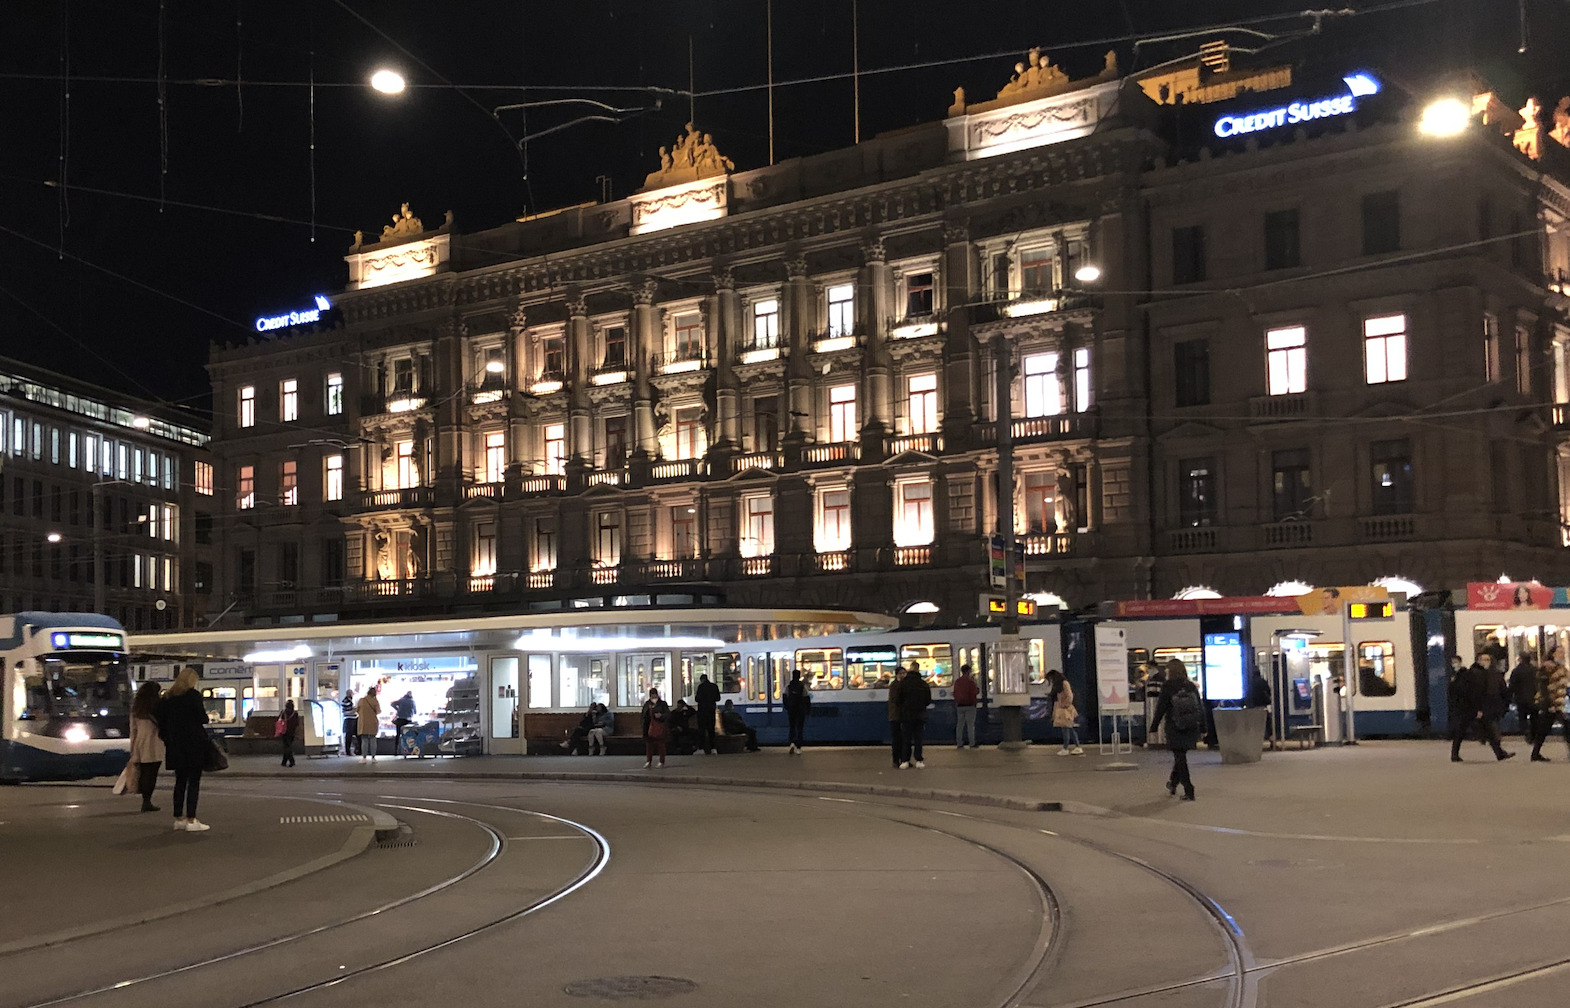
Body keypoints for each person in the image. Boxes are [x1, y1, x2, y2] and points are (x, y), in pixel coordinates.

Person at [157, 667, 212, 831]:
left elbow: (161, 724)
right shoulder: (193, 696)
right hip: (194, 744)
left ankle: (178, 818)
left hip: (175, 746)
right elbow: (203, 718)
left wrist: (168, 739)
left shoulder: (167, 697)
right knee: (193, 782)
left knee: (180, 781)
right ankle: (191, 820)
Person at [1148, 662, 1203, 800]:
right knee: (1180, 756)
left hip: (1175, 726)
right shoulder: (1190, 686)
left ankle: (1189, 789)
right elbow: (1200, 707)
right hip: (1190, 726)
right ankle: (1173, 783)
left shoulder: (1168, 686)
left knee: (1180, 757)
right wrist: (1203, 727)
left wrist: (1154, 727)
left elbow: (1161, 707)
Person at [1450, 652, 1514, 762]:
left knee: (1464, 730)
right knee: (1484, 730)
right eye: (1484, 660)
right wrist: (1478, 709)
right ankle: (1499, 753)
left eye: (1488, 660)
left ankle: (1455, 754)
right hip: (1474, 708)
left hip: (1469, 707)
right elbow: (1476, 693)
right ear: (1479, 661)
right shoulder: (1478, 674)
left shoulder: (1474, 672)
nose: (1486, 662)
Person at [128, 680, 164, 813]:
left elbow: (133, 730)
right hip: (156, 742)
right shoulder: (158, 707)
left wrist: (132, 747)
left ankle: (145, 799)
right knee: (152, 773)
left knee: (143, 772)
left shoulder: (136, 709)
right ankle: (147, 801)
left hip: (140, 743)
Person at [1532, 650, 1570, 761]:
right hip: (1552, 703)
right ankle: (1535, 753)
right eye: (1560, 652)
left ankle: (1535, 753)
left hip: (1561, 702)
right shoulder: (1547, 668)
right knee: (1544, 729)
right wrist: (1549, 704)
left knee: (1567, 727)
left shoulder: (1561, 668)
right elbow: (1543, 688)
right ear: (1553, 654)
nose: (1562, 654)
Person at [898, 664, 932, 768]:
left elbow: (898, 699)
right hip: (920, 715)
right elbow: (928, 700)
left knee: (906, 738)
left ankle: (905, 760)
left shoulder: (903, 684)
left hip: (906, 715)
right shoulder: (923, 684)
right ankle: (919, 760)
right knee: (918, 739)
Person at [1049, 670, 1083, 755]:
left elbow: (1069, 695)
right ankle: (1076, 747)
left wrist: (1065, 704)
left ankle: (1066, 748)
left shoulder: (1064, 683)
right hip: (1062, 709)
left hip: (1065, 709)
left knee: (1066, 729)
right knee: (1069, 728)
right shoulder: (1061, 684)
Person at [1509, 652, 1539, 744]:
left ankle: (1526, 733)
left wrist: (1509, 696)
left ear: (1520, 659)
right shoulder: (1535, 670)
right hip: (1534, 697)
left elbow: (1512, 685)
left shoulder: (1516, 671)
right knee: (1534, 717)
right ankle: (1534, 734)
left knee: (1523, 718)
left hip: (1521, 698)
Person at [783, 670, 810, 754]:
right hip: (800, 710)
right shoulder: (802, 686)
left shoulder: (788, 686)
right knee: (800, 728)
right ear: (799, 676)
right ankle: (798, 747)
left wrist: (787, 707)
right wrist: (808, 710)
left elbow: (784, 696)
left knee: (792, 727)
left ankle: (792, 743)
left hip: (791, 710)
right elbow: (806, 698)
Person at [641, 688, 670, 768]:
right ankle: (648, 761)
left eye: (654, 695)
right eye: (652, 695)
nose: (654, 697)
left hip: (659, 726)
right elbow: (643, 716)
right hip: (649, 727)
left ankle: (661, 761)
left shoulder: (662, 704)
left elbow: (668, 714)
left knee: (660, 745)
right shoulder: (647, 704)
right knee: (649, 745)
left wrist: (661, 716)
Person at [953, 664, 980, 749]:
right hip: (970, 706)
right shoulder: (970, 682)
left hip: (960, 706)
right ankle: (972, 743)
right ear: (968, 671)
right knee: (970, 725)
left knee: (959, 725)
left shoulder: (957, 681)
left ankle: (959, 743)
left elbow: (955, 693)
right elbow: (974, 692)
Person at [694, 673, 720, 754]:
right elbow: (718, 698)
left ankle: (701, 748)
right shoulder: (714, 686)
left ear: (702, 680)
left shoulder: (701, 687)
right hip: (711, 711)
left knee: (701, 730)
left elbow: (697, 699)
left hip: (702, 712)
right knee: (711, 730)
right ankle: (713, 748)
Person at [887, 666, 906, 768]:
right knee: (897, 739)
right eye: (901, 673)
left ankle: (904, 759)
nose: (903, 675)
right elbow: (895, 699)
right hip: (896, 715)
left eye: (904, 673)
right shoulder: (894, 685)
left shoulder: (902, 684)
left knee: (904, 739)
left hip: (902, 715)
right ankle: (896, 760)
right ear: (897, 675)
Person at [356, 685, 381, 762]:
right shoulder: (375, 701)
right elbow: (378, 711)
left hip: (363, 722)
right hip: (373, 722)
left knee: (364, 740)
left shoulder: (361, 700)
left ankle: (364, 757)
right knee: (373, 740)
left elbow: (357, 710)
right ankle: (373, 757)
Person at [278, 699, 301, 768]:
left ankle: (291, 761)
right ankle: (284, 762)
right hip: (292, 732)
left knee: (286, 747)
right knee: (288, 746)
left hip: (284, 732)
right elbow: (297, 723)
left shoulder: (283, 712)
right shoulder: (295, 713)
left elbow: (279, 720)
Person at [341, 689, 358, 757]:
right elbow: (345, 712)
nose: (352, 694)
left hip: (353, 719)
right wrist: (353, 711)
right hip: (349, 719)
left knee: (353, 735)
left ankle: (355, 750)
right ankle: (348, 750)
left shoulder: (350, 700)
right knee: (349, 735)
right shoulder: (346, 701)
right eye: (351, 693)